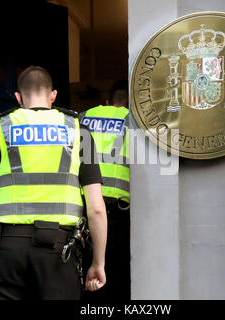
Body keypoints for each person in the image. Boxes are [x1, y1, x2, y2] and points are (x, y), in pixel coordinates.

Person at [0, 66, 107, 300]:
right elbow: (96, 208)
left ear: (18, 97)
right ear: (53, 96)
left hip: (8, 251)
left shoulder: (2, 127)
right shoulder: (77, 129)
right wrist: (98, 263)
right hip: (58, 252)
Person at [80, 80, 130, 300]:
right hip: (119, 213)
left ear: (107, 101)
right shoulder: (133, 121)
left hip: (85, 209)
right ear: (129, 103)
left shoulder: (82, 118)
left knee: (85, 276)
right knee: (117, 276)